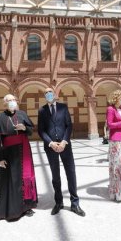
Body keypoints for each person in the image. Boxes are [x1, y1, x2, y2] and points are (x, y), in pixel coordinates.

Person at [37, 87, 85, 216]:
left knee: (71, 173)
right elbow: (41, 130)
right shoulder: (42, 110)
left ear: (55, 94)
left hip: (65, 146)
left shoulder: (63, 107)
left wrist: (64, 141)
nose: (48, 94)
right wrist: (51, 143)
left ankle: (75, 203)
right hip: (51, 147)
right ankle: (58, 202)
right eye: (46, 92)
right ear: (44, 96)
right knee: (55, 176)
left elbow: (69, 125)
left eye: (50, 92)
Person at [0, 94, 38, 221]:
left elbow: (31, 131)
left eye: (13, 100)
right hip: (9, 153)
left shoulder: (22, 114)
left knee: (25, 177)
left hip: (24, 150)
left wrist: (24, 128)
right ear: (4, 103)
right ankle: (12, 210)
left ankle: (26, 206)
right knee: (11, 180)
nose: (12, 102)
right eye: (9, 100)